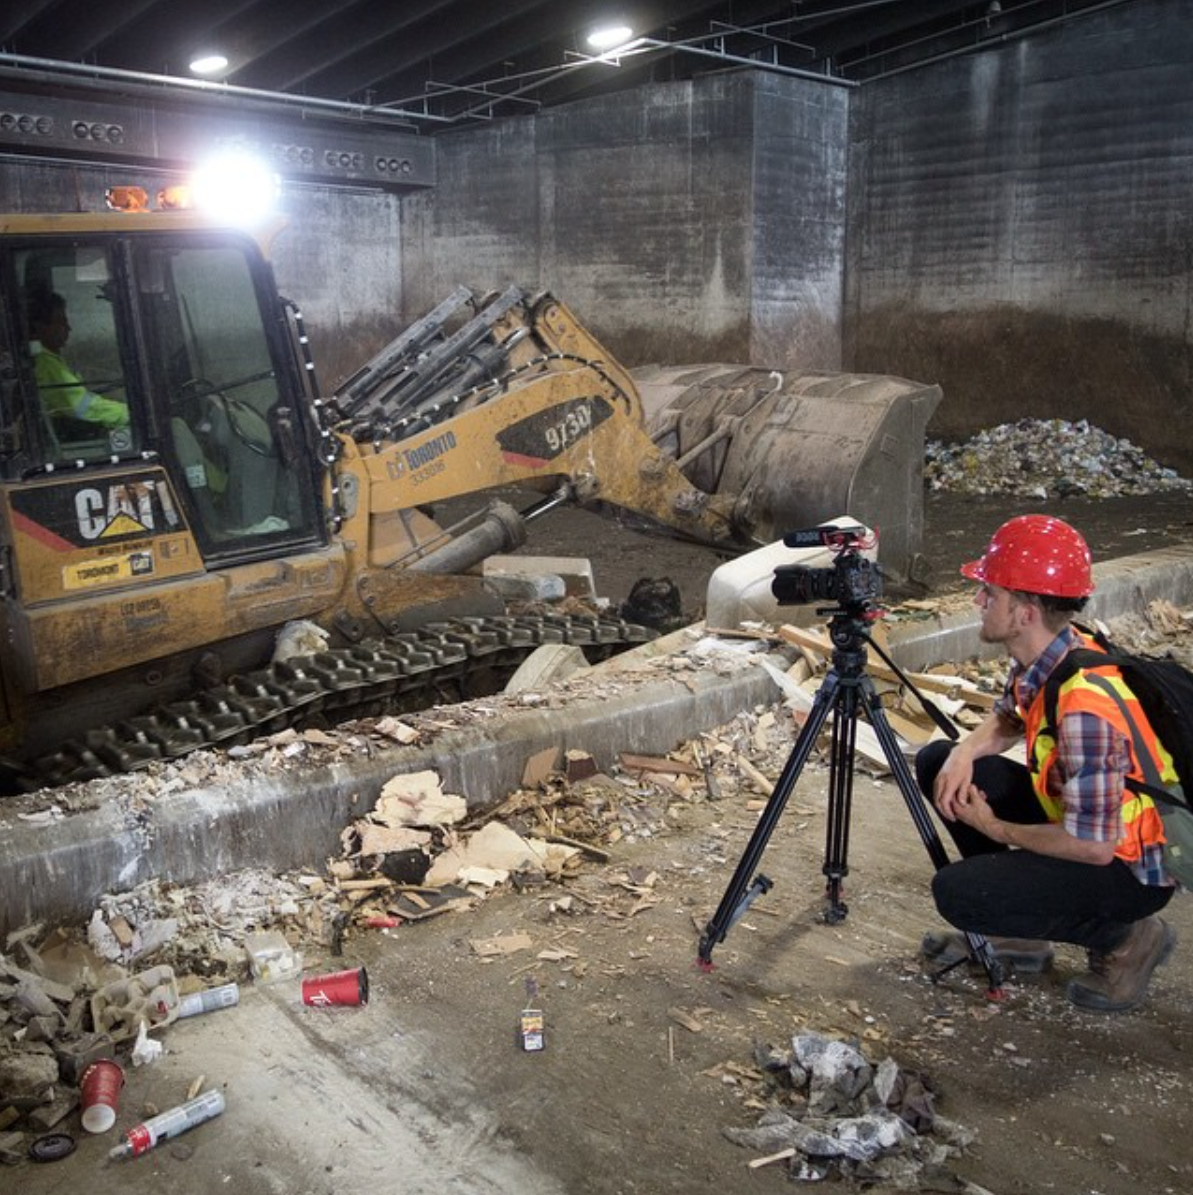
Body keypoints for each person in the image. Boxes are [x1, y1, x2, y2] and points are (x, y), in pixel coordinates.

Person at [916, 514, 1177, 1013]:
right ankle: (1022, 936)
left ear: (1024, 612)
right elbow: (1011, 717)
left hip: (1127, 870)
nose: (978, 601)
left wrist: (995, 828)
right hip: (1084, 823)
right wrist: (964, 751)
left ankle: (1127, 938)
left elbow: (1094, 846)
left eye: (988, 593)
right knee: (938, 762)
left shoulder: (1085, 709)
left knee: (959, 894)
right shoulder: (1053, 654)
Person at [26, 290, 129, 430]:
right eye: (61, 322)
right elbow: (82, 407)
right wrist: (129, 414)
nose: (69, 328)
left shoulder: (48, 359)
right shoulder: (44, 363)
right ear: (40, 327)